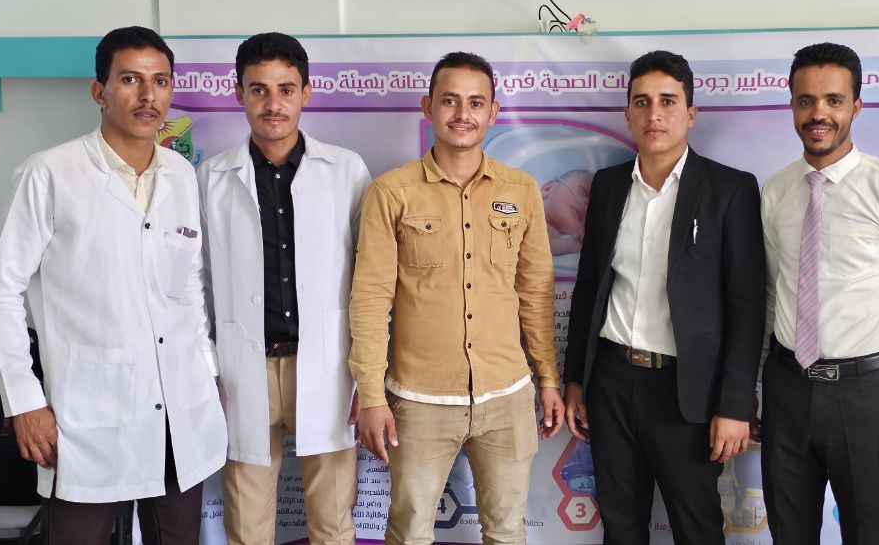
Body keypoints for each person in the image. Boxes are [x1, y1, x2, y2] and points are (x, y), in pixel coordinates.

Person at [0, 26, 226, 545]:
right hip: (86, 415)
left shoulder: (182, 174)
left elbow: (189, 287)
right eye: (130, 80)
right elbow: (2, 291)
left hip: (179, 411)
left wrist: (208, 373)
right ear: (100, 91)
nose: (148, 96)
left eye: (160, 81)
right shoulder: (50, 174)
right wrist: (24, 401)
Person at [349, 51, 565, 545]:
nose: (462, 114)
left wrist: (548, 378)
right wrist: (372, 396)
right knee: (410, 532)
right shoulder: (392, 192)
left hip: (507, 396)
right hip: (419, 400)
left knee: (507, 532)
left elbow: (535, 292)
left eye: (475, 102)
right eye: (449, 101)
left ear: (493, 112)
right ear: (428, 107)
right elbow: (370, 299)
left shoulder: (522, 190)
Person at [561, 50, 767, 545]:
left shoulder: (730, 189)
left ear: (690, 114)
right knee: (621, 526)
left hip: (686, 392)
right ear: (628, 113)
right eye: (642, 102)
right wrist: (576, 380)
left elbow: (747, 304)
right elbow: (589, 287)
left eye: (668, 102)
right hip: (611, 382)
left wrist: (735, 404)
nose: (654, 114)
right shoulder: (608, 186)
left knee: (696, 527)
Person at [760, 42, 879, 543]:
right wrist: (754, 388)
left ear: (856, 106)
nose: (819, 113)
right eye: (806, 100)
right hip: (787, 388)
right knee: (789, 534)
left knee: (869, 535)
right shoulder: (775, 190)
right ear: (792, 106)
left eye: (834, 100)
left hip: (865, 397)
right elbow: (772, 295)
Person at [198, 32, 371, 545]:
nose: (273, 104)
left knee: (334, 522)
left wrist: (368, 374)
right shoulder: (211, 177)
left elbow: (372, 279)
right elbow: (196, 282)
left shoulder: (346, 170)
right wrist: (207, 367)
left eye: (286, 89)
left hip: (326, 365)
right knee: (246, 525)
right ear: (239, 93)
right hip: (241, 367)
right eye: (259, 90)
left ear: (306, 93)